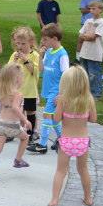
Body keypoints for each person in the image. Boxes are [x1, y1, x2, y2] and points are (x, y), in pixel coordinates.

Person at [48, 67, 96, 206]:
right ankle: (88, 198)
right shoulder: (89, 100)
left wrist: (56, 106)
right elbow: (93, 119)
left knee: (60, 171)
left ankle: (55, 200)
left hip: (66, 141)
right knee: (83, 170)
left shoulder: (63, 100)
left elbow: (56, 120)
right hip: (82, 142)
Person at [0, 64, 31, 178]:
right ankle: (18, 160)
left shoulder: (2, 92)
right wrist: (25, 120)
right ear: (16, 79)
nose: (22, 79)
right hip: (12, 125)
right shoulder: (17, 94)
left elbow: (1, 101)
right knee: (25, 137)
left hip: (0, 123)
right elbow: (15, 108)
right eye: (22, 77)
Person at [32, 23, 69, 154]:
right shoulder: (48, 52)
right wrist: (41, 56)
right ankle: (62, 139)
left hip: (56, 90)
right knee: (53, 118)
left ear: (54, 38)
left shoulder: (62, 54)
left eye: (45, 39)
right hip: (47, 89)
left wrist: (61, 94)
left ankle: (42, 144)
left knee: (47, 115)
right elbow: (41, 70)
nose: (42, 42)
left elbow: (67, 76)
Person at [9, 26, 40, 148]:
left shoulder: (35, 55)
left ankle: (30, 133)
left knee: (30, 112)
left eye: (23, 43)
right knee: (16, 111)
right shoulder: (14, 55)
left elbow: (34, 71)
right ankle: (12, 132)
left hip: (30, 90)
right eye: (18, 43)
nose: (20, 46)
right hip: (17, 90)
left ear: (31, 42)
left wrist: (26, 60)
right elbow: (9, 70)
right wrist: (15, 61)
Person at [78, 1, 103, 98]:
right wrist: (86, 36)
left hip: (95, 53)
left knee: (94, 74)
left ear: (100, 10)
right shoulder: (87, 21)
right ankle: (85, 92)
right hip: (85, 52)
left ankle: (96, 94)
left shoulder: (101, 22)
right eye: (90, 9)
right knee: (84, 73)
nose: (91, 11)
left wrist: (86, 36)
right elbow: (80, 35)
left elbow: (93, 37)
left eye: (94, 9)